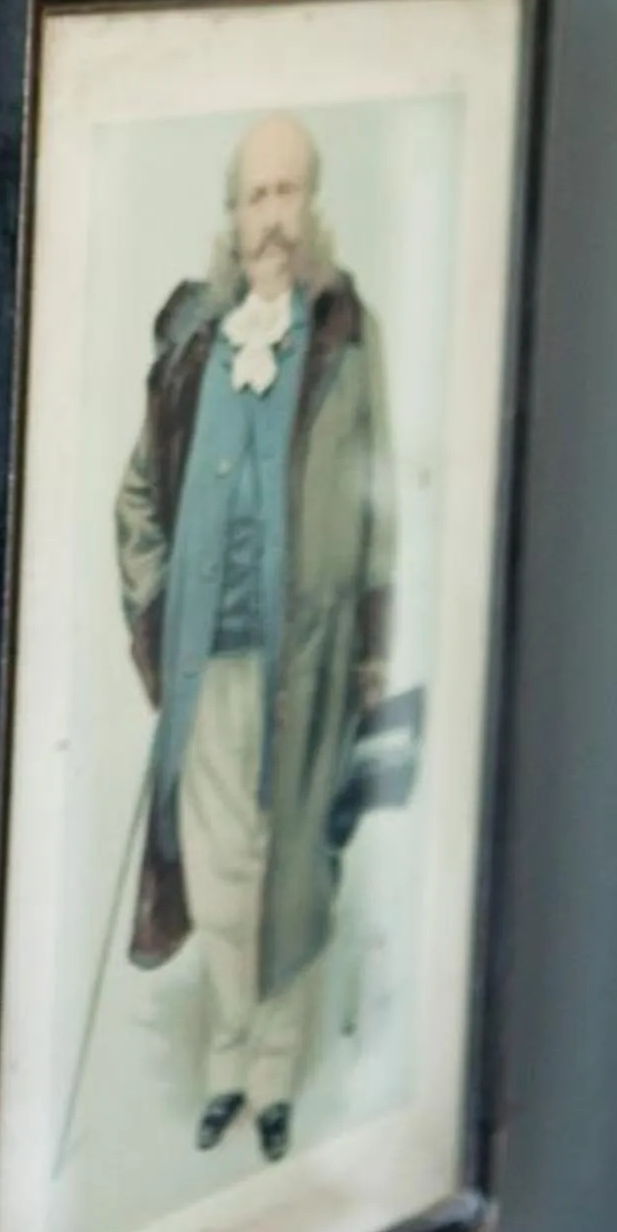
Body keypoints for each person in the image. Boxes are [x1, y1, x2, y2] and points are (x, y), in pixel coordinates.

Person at [114, 114, 393, 1162]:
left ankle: (272, 1076)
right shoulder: (190, 341)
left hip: (306, 663)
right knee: (220, 876)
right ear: (228, 218)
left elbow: (375, 504)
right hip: (207, 662)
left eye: (287, 193)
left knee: (286, 869)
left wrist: (369, 645)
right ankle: (233, 1052)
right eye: (253, 196)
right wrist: (154, 600)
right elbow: (137, 495)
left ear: (309, 206)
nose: (270, 218)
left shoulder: (343, 340)